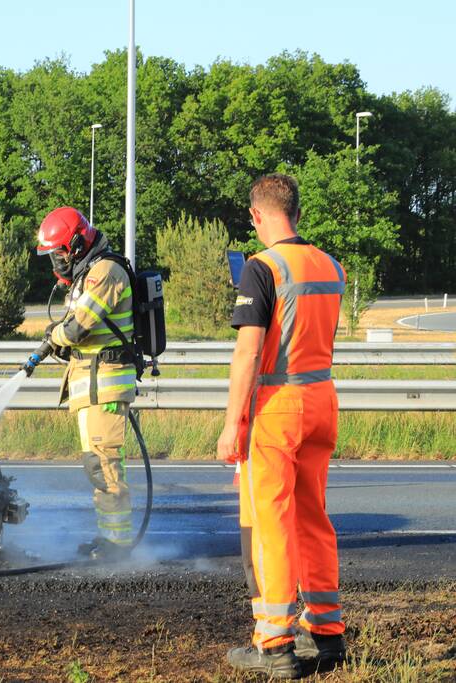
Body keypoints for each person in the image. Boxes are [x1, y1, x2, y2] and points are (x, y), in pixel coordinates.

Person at [217, 174, 347, 679]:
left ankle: (274, 645)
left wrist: (232, 423)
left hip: (276, 406)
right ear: (294, 210)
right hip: (322, 399)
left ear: (258, 215)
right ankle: (329, 635)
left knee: (270, 524)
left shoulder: (261, 268)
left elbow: (248, 352)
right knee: (314, 518)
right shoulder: (329, 265)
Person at [31, 207, 137, 559]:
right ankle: (108, 538)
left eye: (59, 252)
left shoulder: (106, 271)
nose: (56, 261)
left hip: (104, 385)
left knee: (104, 465)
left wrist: (54, 335)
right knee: (98, 464)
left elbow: (78, 327)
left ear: (76, 244)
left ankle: (118, 546)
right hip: (92, 385)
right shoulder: (87, 274)